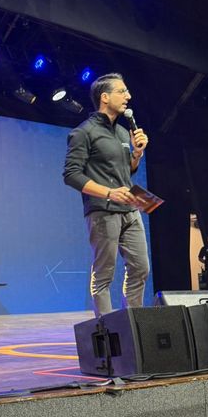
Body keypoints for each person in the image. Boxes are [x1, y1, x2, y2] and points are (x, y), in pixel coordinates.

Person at [63, 73, 150, 317]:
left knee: (140, 268)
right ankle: (107, 329)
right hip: (102, 211)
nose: (128, 96)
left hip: (130, 210)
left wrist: (137, 155)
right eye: (122, 91)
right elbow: (71, 175)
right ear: (105, 97)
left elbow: (126, 171)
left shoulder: (123, 132)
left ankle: (133, 324)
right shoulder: (84, 132)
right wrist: (109, 193)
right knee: (104, 273)